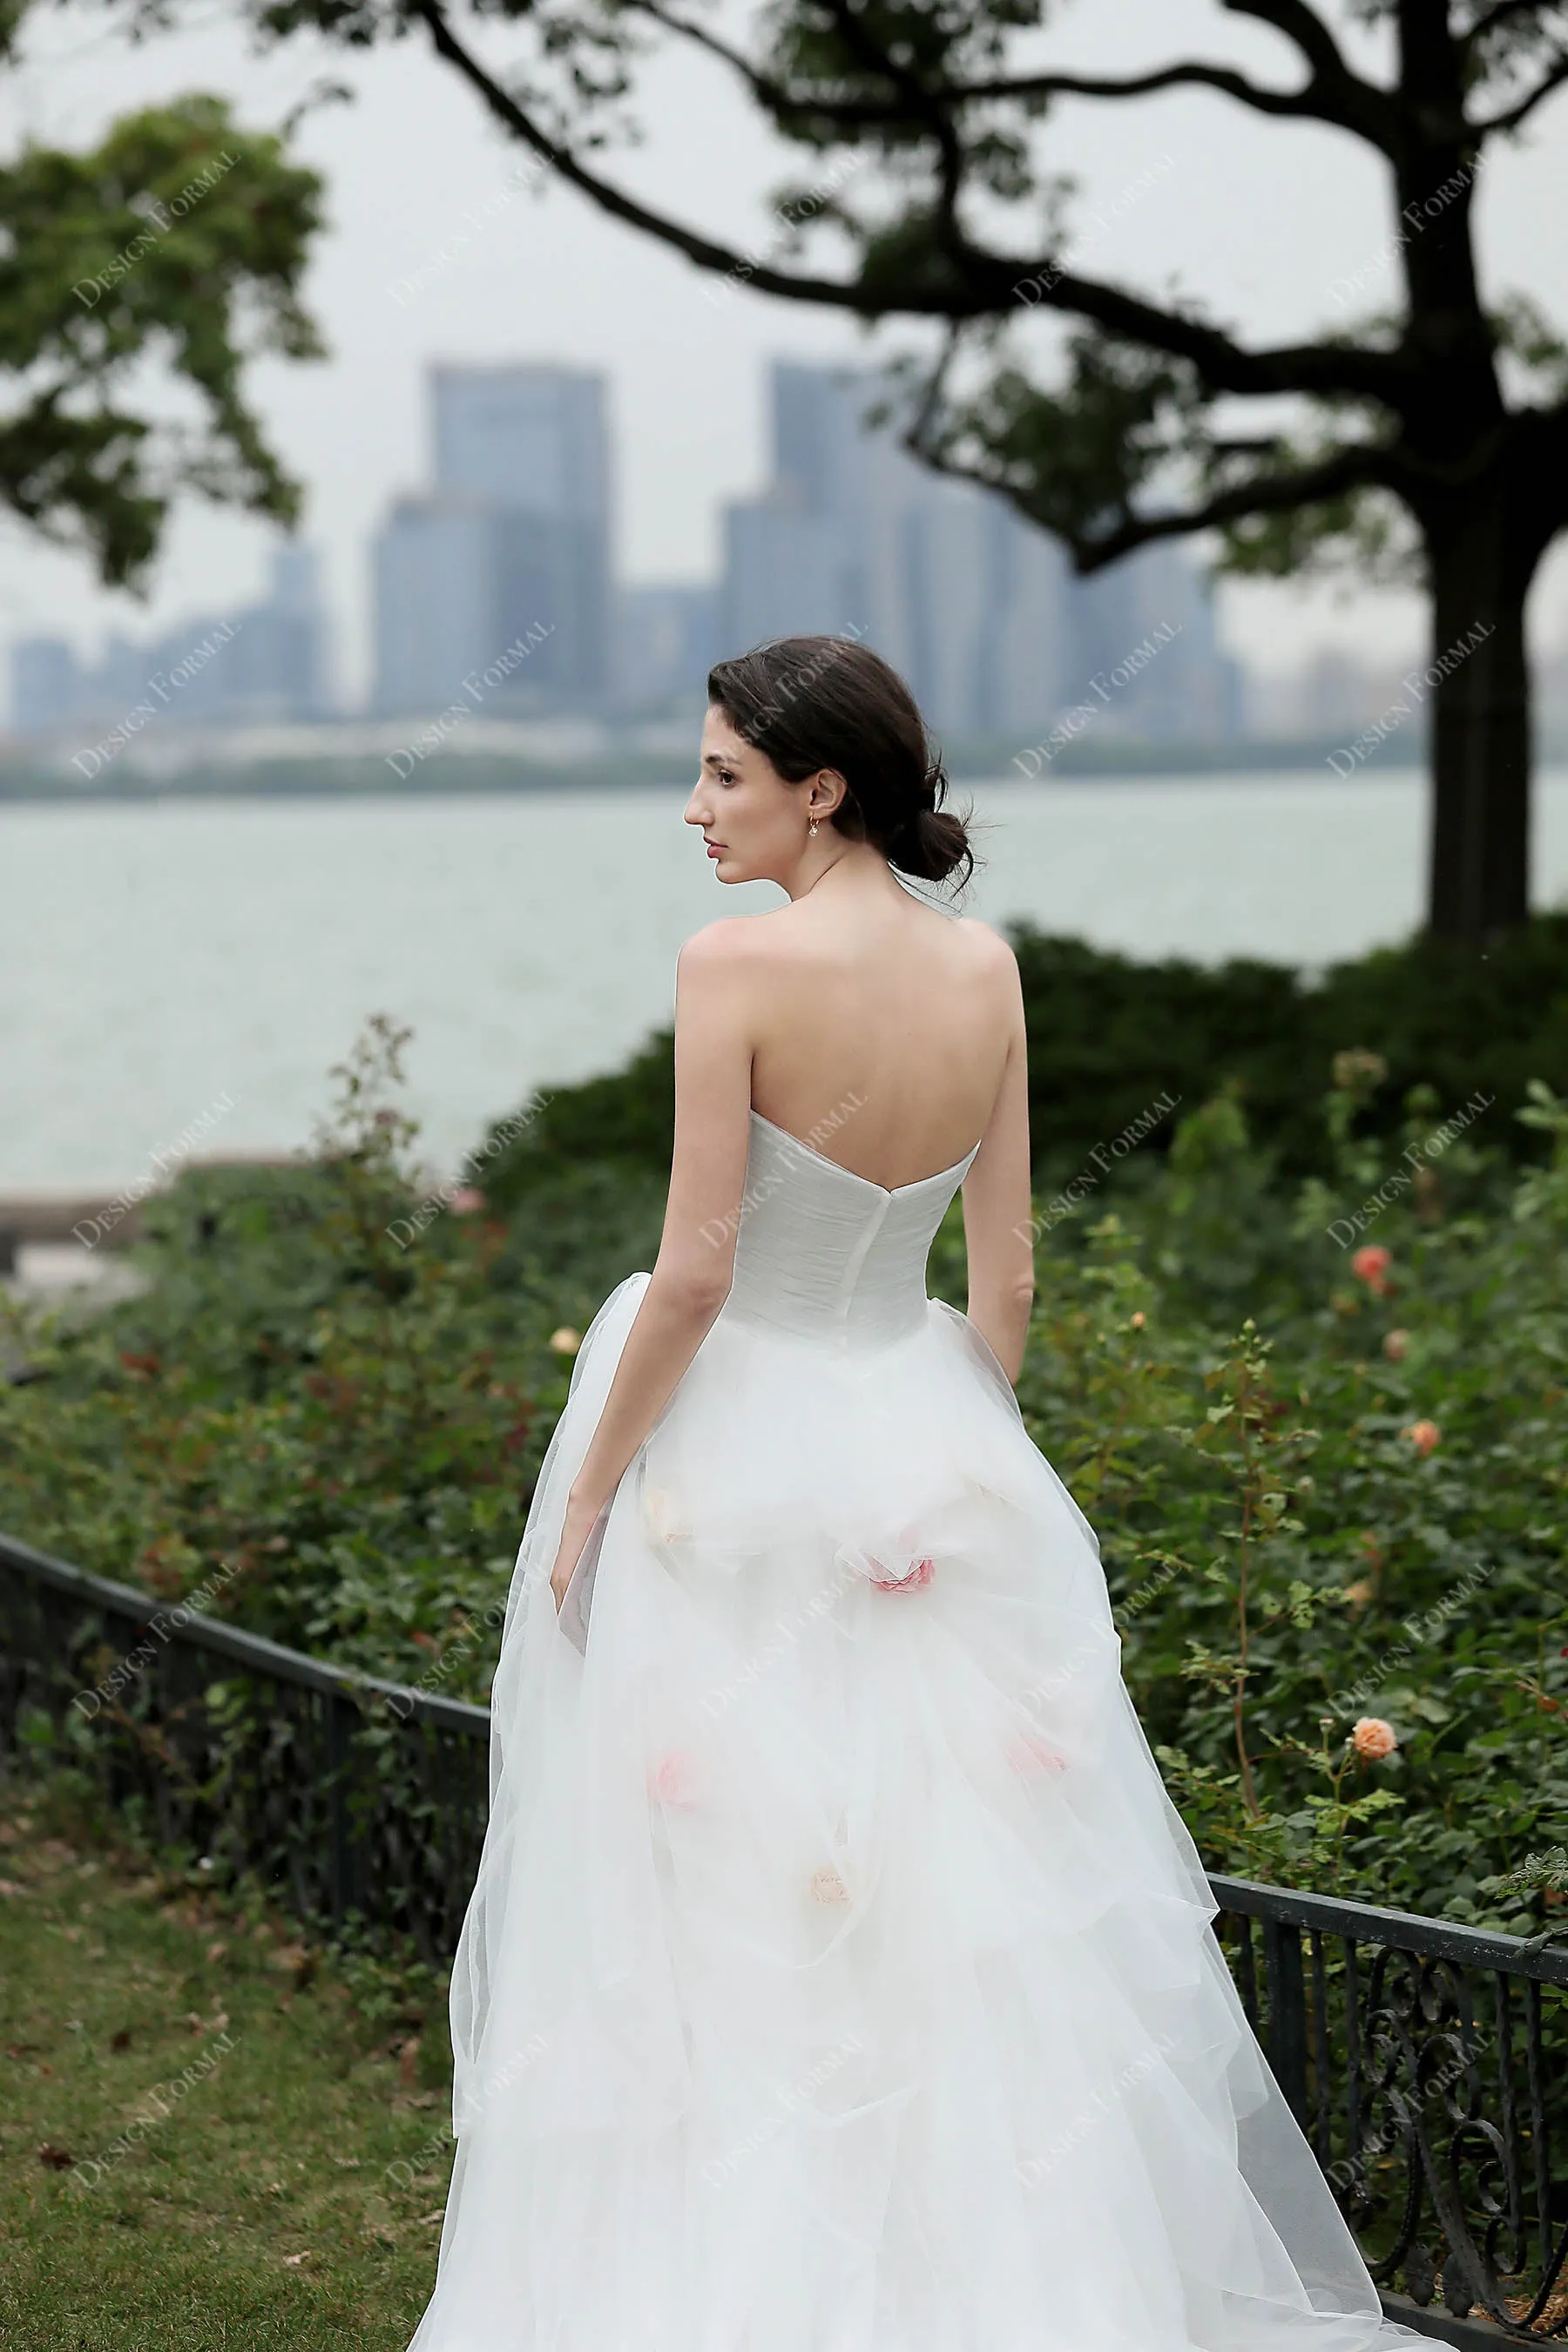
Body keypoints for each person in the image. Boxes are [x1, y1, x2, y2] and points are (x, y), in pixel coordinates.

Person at [407, 637, 1424, 2352]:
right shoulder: (989, 972)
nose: (695, 804)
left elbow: (698, 1276)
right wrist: (958, 1462)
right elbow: (1009, 1275)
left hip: (732, 1450)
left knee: (727, 1902)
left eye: (724, 773)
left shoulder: (733, 965)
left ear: (823, 786)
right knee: (958, 1920)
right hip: (924, 1432)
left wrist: (588, 1495)